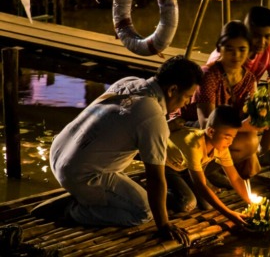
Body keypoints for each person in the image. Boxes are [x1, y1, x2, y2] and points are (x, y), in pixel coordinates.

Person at [48, 55, 203, 245]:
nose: (187, 103)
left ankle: (83, 195)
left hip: (58, 153)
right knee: (143, 212)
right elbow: (155, 178)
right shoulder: (153, 118)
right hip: (81, 174)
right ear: (172, 90)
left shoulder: (130, 82)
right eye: (187, 96)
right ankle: (74, 210)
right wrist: (163, 225)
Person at [207, 6, 270, 168]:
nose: (262, 42)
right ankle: (218, 160)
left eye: (267, 37)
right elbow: (207, 119)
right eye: (256, 36)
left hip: (244, 100)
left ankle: (264, 150)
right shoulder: (219, 62)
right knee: (247, 142)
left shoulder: (268, 49)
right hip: (220, 109)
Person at [176, 20, 264, 180]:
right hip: (191, 127)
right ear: (219, 49)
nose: (236, 55)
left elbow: (246, 115)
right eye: (229, 49)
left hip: (223, 130)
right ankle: (193, 176)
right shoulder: (209, 74)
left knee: (250, 142)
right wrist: (245, 127)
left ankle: (207, 172)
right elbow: (206, 124)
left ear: (249, 51)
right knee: (247, 141)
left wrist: (259, 120)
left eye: (242, 49)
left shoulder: (249, 79)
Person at [165, 105, 251, 227]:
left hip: (184, 168)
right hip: (165, 166)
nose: (230, 142)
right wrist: (229, 213)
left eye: (233, 137)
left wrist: (250, 202)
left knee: (207, 204)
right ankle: (155, 189)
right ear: (211, 131)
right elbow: (201, 185)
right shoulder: (194, 145)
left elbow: (235, 178)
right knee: (188, 203)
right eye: (227, 137)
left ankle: (179, 185)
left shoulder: (221, 147)